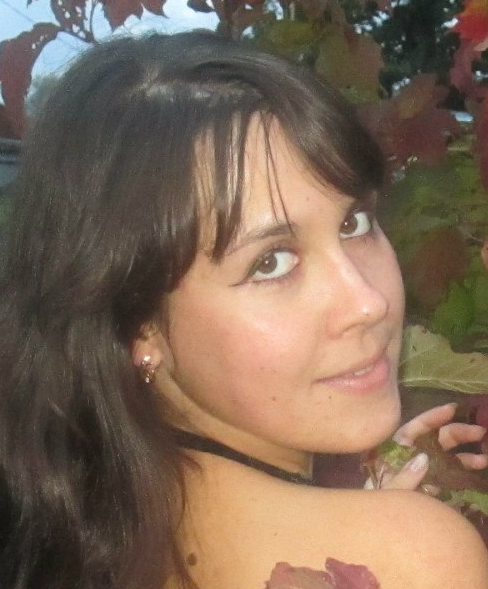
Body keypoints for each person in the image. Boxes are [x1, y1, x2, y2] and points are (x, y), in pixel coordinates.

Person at [0, 31, 487, 589]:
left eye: (354, 223)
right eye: (271, 263)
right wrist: (390, 531)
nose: (367, 302)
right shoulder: (417, 554)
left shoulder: (90, 526)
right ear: (139, 327)